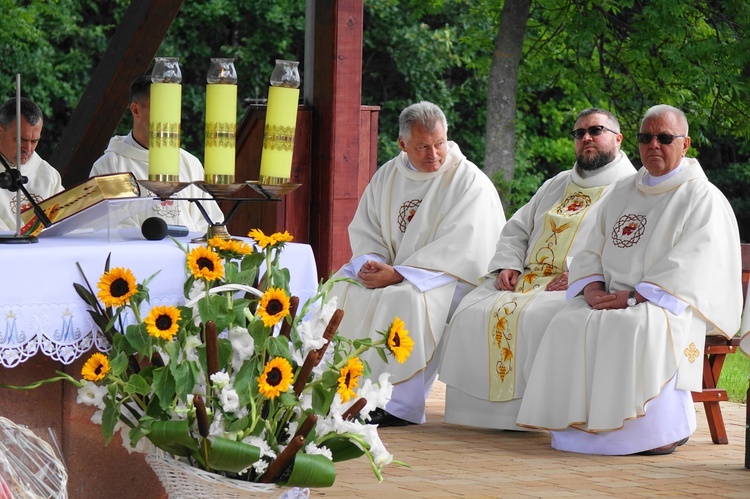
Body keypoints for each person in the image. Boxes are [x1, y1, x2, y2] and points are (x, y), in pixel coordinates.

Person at [516, 104, 743, 455]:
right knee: (566, 321)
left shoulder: (701, 197)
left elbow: (693, 265)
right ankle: (579, 431)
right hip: (609, 296)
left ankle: (656, 433)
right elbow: (591, 246)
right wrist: (590, 288)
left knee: (637, 327)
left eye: (665, 138)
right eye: (646, 137)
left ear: (685, 144)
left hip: (668, 302)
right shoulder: (622, 191)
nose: (654, 145)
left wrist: (634, 297)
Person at [438, 108, 636, 430]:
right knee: (471, 309)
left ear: (617, 138)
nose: (586, 137)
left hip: (573, 285)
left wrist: (585, 276)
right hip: (527, 279)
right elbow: (517, 228)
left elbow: (627, 246)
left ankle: (535, 415)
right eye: (579, 132)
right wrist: (508, 264)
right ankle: (484, 417)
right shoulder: (556, 184)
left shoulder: (630, 189)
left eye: (595, 130)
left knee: (537, 317)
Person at [331, 101, 505, 427]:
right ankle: (347, 393)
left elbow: (466, 246)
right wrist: (372, 263)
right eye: (423, 147)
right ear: (402, 145)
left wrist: (399, 274)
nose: (434, 154)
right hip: (395, 272)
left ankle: (399, 405)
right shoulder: (388, 175)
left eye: (439, 144)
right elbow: (368, 228)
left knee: (405, 298)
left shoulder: (467, 181)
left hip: (450, 277)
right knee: (343, 287)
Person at [90, 75, 222, 233]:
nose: (170, 118)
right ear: (136, 110)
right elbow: (111, 226)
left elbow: (210, 222)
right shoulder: (109, 166)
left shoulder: (189, 162)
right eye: (162, 108)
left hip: (188, 255)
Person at [0, 97, 63, 231]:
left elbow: (64, 220)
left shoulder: (48, 175)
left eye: (34, 141)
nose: (28, 149)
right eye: (21, 140)